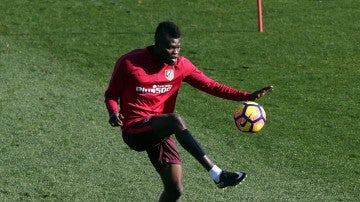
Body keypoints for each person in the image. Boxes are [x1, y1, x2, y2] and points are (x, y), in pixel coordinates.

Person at [104, 21, 273, 201]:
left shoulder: (181, 65)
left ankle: (216, 177)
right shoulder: (130, 62)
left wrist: (246, 95)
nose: (175, 53)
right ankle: (217, 174)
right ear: (157, 43)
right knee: (175, 120)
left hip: (160, 130)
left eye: (178, 47)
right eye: (170, 48)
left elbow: (211, 86)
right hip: (134, 129)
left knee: (175, 189)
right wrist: (113, 112)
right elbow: (111, 94)